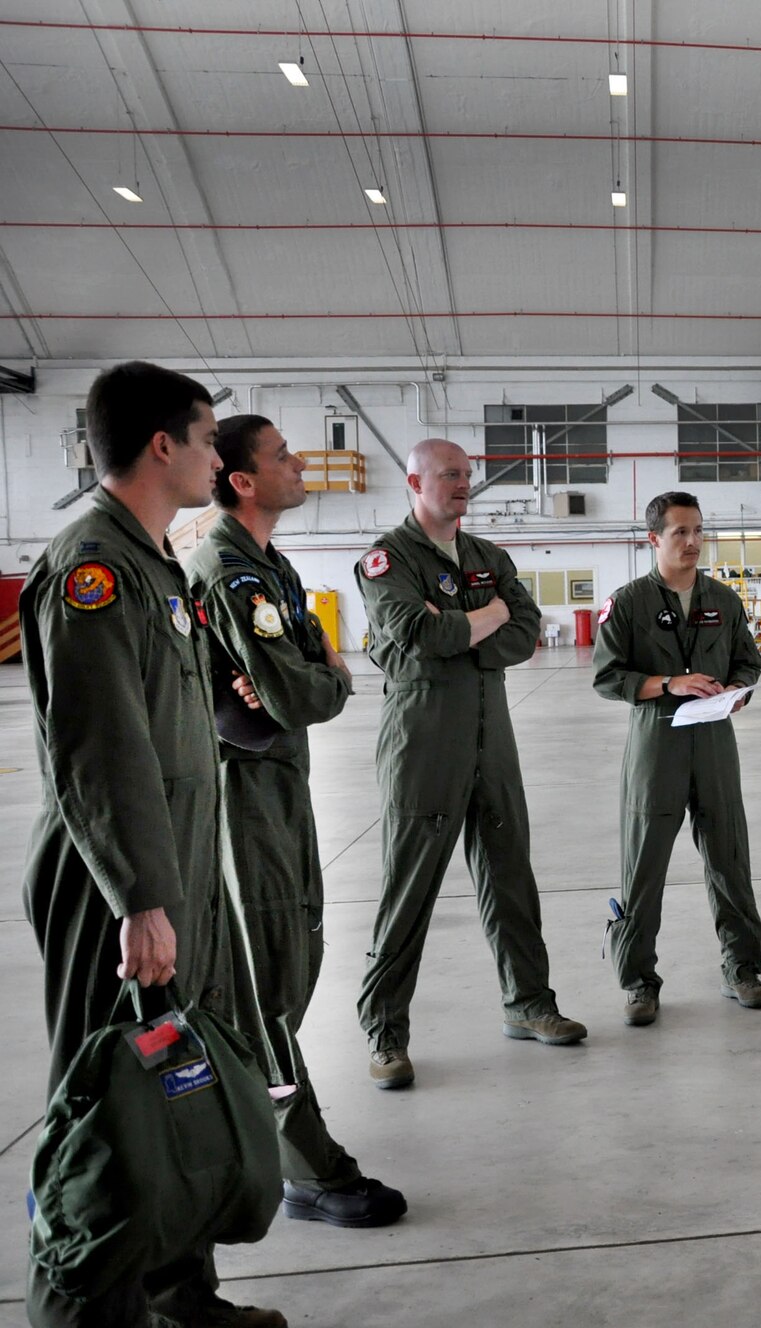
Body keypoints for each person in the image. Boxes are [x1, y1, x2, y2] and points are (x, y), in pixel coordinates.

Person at [21, 362, 286, 1326]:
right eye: (211, 439)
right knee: (105, 1113)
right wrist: (139, 896)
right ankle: (80, 1313)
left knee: (175, 1089)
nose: (219, 457)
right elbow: (98, 754)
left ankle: (183, 1296)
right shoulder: (93, 568)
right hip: (115, 885)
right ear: (163, 444)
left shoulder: (152, 560)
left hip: (165, 871)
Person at [188, 416, 406, 1228]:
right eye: (281, 454)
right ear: (242, 479)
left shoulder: (269, 565)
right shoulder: (228, 573)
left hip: (280, 783)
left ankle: (253, 1138)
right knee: (268, 982)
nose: (299, 462)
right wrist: (321, 678)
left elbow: (307, 673)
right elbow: (301, 691)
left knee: (295, 959)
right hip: (244, 796)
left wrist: (314, 676)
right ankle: (305, 1166)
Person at [354, 438, 585, 1088]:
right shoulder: (386, 559)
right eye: (448, 474)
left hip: (493, 739)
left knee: (511, 874)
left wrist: (463, 628)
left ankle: (530, 1003)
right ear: (414, 480)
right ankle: (385, 1033)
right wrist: (487, 615)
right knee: (409, 890)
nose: (462, 483)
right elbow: (417, 635)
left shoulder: (488, 555)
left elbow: (526, 631)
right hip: (422, 742)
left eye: (466, 474)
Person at [594, 492, 761, 1021]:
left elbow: (749, 660)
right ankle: (639, 981)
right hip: (657, 744)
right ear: (654, 539)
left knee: (729, 859)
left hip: (714, 742)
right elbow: (607, 676)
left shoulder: (724, 599)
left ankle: (742, 968)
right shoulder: (628, 604)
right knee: (644, 864)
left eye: (698, 531)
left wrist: (738, 689)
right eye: (680, 533)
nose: (693, 542)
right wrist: (669, 682)